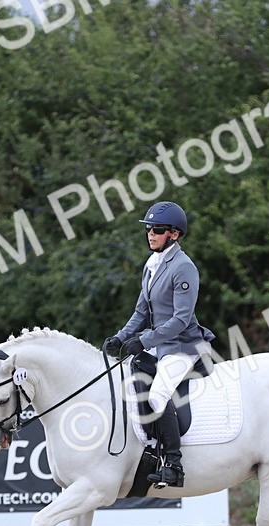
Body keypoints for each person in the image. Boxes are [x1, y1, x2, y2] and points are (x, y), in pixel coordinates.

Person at [103, 201, 214, 488]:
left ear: (174, 234)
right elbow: (141, 312)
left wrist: (144, 340)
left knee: (157, 396)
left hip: (183, 346)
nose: (151, 234)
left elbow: (180, 319)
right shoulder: (152, 265)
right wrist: (121, 336)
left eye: (158, 229)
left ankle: (174, 464)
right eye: (149, 229)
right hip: (160, 346)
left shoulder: (184, 267)